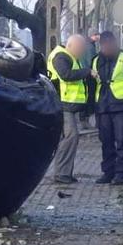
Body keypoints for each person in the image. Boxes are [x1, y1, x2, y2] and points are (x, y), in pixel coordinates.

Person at [90, 31, 123, 185]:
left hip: (121, 105)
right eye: (104, 46)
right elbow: (91, 85)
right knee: (106, 141)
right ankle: (108, 172)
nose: (107, 48)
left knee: (122, 141)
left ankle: (120, 174)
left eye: (109, 45)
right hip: (103, 106)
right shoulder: (95, 60)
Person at [47, 34, 97, 184]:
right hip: (62, 104)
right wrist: (87, 71)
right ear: (72, 46)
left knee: (69, 137)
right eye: (81, 49)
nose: (82, 52)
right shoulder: (61, 56)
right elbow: (66, 75)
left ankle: (65, 173)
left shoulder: (68, 55)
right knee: (70, 137)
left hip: (68, 105)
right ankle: (62, 174)